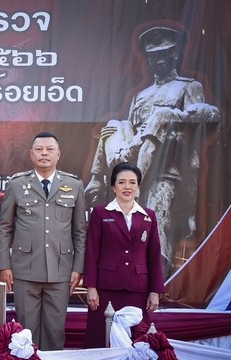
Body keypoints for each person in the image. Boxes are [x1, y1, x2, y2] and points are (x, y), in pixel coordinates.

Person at [84, 26, 220, 274]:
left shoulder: (188, 87)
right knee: (114, 126)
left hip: (169, 166)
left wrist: (173, 115)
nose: (158, 60)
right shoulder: (141, 96)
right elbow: (129, 127)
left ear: (174, 55)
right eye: (153, 55)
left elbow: (211, 114)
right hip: (135, 161)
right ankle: (98, 179)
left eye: (164, 54)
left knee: (156, 217)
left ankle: (159, 276)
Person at [0, 132, 87, 351]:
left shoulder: (74, 185)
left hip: (60, 271)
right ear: (31, 154)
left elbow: (80, 232)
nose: (44, 153)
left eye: (49, 149)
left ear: (58, 154)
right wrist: (4, 265)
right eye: (39, 149)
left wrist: (78, 268)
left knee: (55, 334)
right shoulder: (17, 184)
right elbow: (5, 227)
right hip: (25, 271)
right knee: (26, 335)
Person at [84, 162, 164, 348]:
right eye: (121, 182)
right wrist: (91, 287)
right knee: (101, 340)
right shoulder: (100, 212)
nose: (127, 187)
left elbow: (154, 255)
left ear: (138, 186)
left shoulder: (148, 216)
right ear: (113, 186)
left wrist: (155, 291)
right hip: (105, 289)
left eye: (132, 182)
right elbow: (92, 251)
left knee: (136, 341)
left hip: (138, 289)